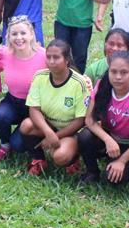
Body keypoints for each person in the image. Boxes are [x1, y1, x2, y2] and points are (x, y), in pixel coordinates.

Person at [77, 51, 129, 185]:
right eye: (114, 72)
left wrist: (122, 161)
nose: (118, 77)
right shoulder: (101, 85)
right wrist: (107, 139)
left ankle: (128, 163)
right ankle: (92, 172)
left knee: (113, 180)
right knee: (84, 136)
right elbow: (89, 120)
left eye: (124, 73)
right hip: (111, 137)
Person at [19, 39, 89, 175]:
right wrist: (49, 133)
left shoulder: (79, 82)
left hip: (70, 131)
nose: (51, 61)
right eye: (48, 57)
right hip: (49, 126)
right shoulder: (39, 77)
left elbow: (80, 120)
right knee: (26, 125)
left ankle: (74, 158)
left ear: (67, 60)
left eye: (56, 57)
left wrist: (56, 136)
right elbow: (34, 109)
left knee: (60, 157)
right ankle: (38, 159)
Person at [0, 17, 48, 161]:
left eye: (23, 33)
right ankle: (4, 145)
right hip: (13, 101)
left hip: (36, 106)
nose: (19, 38)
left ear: (32, 34)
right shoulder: (4, 53)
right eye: (14, 34)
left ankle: (25, 139)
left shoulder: (45, 56)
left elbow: (63, 72)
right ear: (8, 36)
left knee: (19, 145)